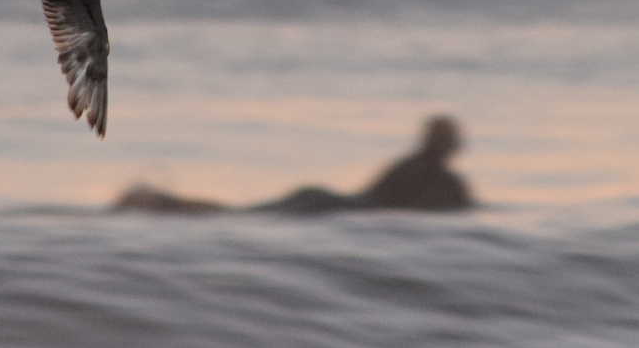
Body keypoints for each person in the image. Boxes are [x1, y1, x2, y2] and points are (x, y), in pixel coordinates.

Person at [111, 116, 473, 215]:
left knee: (241, 214)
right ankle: (160, 204)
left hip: (324, 199)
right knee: (240, 217)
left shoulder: (407, 164)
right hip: (329, 209)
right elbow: (455, 208)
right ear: (447, 143)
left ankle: (159, 202)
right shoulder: (441, 178)